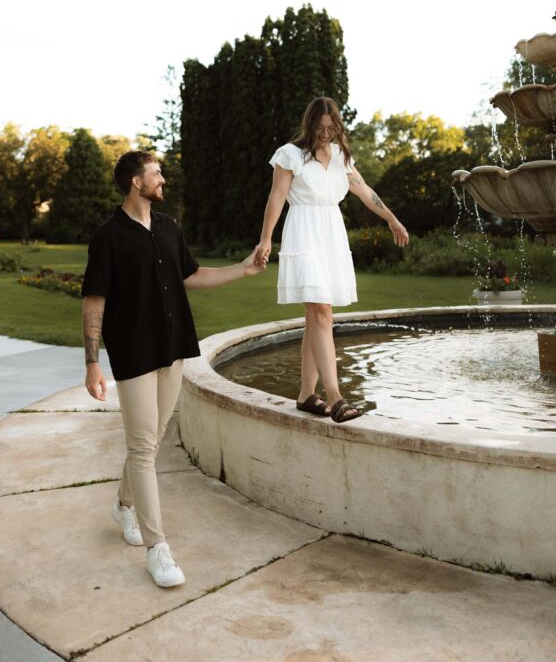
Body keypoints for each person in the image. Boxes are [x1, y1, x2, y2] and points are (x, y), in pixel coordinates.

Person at [81, 150, 263, 589]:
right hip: (134, 355)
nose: (162, 178)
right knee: (143, 446)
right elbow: (94, 303)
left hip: (173, 348)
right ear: (134, 182)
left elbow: (191, 276)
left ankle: (125, 505)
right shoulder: (107, 237)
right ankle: (157, 548)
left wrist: (243, 269)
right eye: (155, 173)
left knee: (154, 437)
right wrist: (91, 362)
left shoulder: (167, 228)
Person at [255, 97, 409, 423]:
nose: (326, 134)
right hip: (304, 233)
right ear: (309, 125)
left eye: (331, 128)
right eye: (320, 128)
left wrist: (391, 219)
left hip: (331, 235)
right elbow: (277, 197)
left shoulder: (341, 157)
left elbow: (365, 191)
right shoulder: (290, 155)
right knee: (322, 312)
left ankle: (306, 394)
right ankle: (335, 396)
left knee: (317, 317)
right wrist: (266, 238)